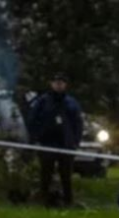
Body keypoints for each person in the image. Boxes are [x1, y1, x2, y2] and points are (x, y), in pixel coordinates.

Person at [27, 73, 84, 207]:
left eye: (61, 82)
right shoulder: (42, 101)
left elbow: (78, 123)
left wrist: (76, 141)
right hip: (47, 143)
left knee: (66, 175)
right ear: (51, 84)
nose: (58, 85)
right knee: (46, 173)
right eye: (56, 82)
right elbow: (32, 120)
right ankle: (44, 200)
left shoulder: (71, 102)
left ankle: (68, 201)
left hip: (66, 144)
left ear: (65, 84)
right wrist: (35, 138)